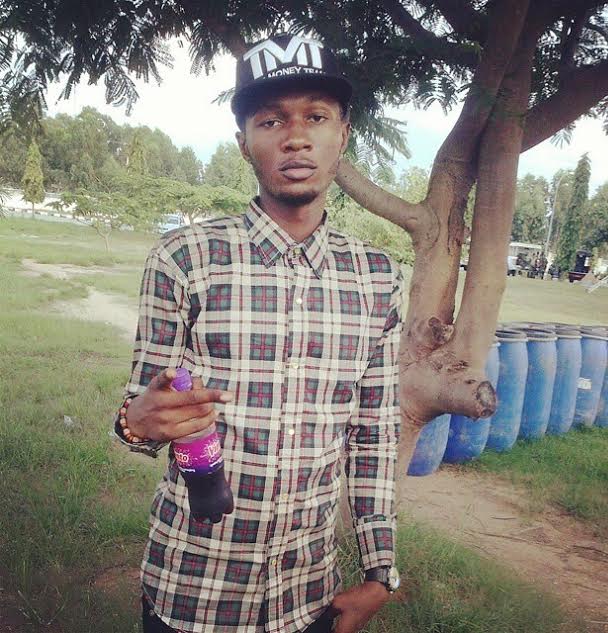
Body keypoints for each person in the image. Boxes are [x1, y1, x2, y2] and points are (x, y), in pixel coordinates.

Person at [113, 32, 403, 633]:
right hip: (193, 588)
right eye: (271, 120)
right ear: (244, 143)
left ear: (343, 135)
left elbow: (373, 435)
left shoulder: (378, 277)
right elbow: (143, 413)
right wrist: (135, 423)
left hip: (309, 597)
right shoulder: (184, 259)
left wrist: (380, 573)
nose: (296, 137)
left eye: (316, 117)